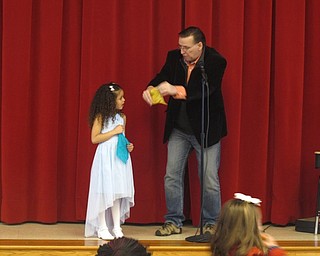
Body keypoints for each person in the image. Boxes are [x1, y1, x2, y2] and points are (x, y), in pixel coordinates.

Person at [142, 26, 227, 236]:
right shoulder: (174, 57)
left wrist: (175, 89)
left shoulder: (216, 61)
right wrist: (150, 89)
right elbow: (161, 77)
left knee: (209, 179)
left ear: (200, 46)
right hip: (179, 128)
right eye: (180, 47)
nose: (182, 52)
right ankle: (173, 221)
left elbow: (206, 90)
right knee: (171, 175)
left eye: (187, 48)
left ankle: (210, 223)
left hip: (206, 128)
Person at [85, 82, 135, 240]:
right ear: (110, 101)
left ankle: (116, 226)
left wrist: (128, 146)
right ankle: (102, 227)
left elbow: (122, 137)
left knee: (116, 191)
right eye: (120, 98)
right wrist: (113, 131)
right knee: (103, 190)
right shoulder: (101, 117)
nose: (124, 100)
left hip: (118, 159)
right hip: (105, 158)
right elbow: (95, 138)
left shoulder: (122, 118)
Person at [211, 193, 287, 256]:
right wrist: (274, 248)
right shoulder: (255, 252)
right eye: (258, 223)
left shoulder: (221, 248)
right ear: (249, 228)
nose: (261, 228)